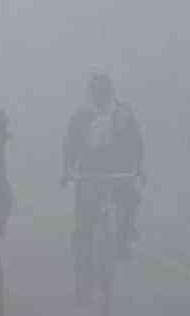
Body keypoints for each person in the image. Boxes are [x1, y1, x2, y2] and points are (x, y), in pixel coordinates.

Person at [61, 71, 144, 297]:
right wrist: (67, 170)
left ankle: (124, 239)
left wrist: (137, 169)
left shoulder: (123, 114)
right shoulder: (81, 116)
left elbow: (136, 144)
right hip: (89, 176)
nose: (99, 96)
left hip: (118, 174)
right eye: (96, 92)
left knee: (130, 201)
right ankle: (83, 285)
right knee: (83, 231)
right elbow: (70, 145)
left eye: (103, 91)